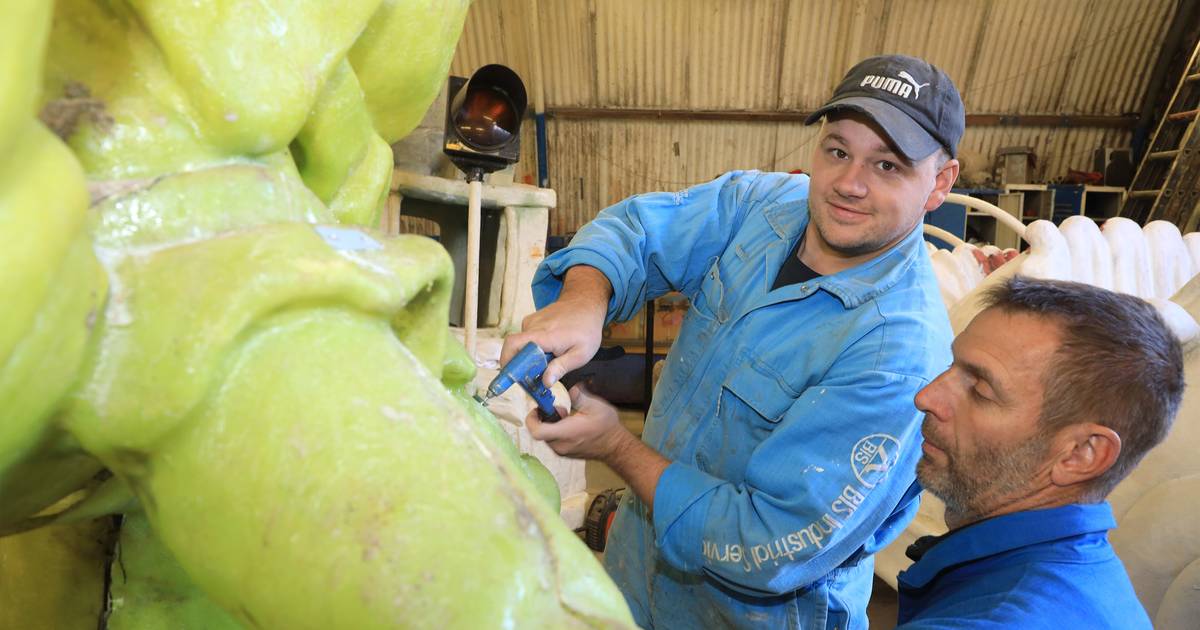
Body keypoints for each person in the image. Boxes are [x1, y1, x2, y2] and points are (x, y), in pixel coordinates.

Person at [502, 54, 964, 629]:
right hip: (636, 573)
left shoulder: (897, 357)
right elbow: (639, 230)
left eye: (888, 165)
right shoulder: (766, 207)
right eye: (838, 150)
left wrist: (617, 448)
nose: (849, 183)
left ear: (940, 183)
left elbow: (768, 545)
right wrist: (583, 301)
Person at [896, 276, 1186, 629]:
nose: (926, 397)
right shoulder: (1078, 576)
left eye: (981, 390)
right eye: (950, 367)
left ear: (1079, 454)